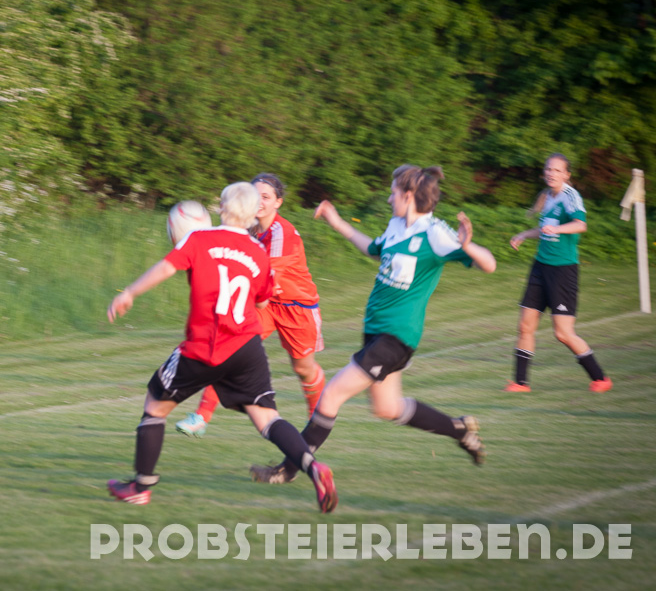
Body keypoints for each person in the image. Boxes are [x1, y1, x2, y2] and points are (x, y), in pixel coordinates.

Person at [251, 165, 496, 485]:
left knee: (331, 395)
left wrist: (466, 245)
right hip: (376, 332)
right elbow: (373, 249)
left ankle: (289, 469)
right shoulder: (397, 225)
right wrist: (337, 222)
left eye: (393, 193)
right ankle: (459, 429)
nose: (389, 198)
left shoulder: (435, 233)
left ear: (408, 196)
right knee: (387, 408)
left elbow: (489, 264)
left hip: (397, 337)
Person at [106, 182, 337, 512]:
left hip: (205, 346)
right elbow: (262, 301)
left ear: (222, 208)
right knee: (267, 418)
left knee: (155, 406)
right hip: (247, 348)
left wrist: (129, 292)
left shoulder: (199, 239)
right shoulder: (258, 251)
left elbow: (166, 268)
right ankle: (313, 467)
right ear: (251, 213)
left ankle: (140, 488)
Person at [175, 173, 326, 437]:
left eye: (266, 197)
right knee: (228, 349)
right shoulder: (248, 228)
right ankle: (201, 417)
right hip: (266, 304)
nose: (260, 202)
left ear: (278, 202)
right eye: (256, 196)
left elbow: (263, 274)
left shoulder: (282, 233)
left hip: (297, 308)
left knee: (303, 369)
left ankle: (318, 419)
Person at [505, 153, 612, 393]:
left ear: (566, 174)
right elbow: (546, 229)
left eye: (557, 170)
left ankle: (600, 378)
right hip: (540, 267)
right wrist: (524, 234)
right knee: (525, 326)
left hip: (563, 271)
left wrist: (559, 229)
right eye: (548, 169)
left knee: (563, 333)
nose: (551, 173)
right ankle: (520, 383)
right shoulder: (547, 196)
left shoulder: (570, 196)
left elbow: (580, 225)